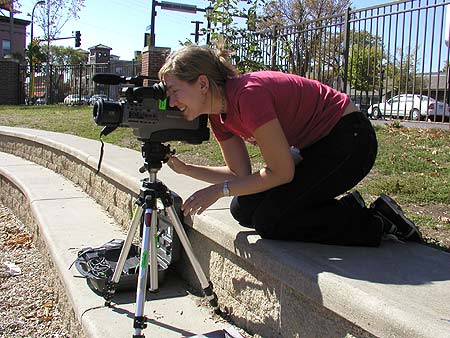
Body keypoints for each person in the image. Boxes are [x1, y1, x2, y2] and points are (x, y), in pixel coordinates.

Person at [158, 44, 422, 247]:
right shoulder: (218, 116)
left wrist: (219, 190)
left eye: (174, 91)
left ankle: (378, 222)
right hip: (315, 146)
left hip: (350, 140)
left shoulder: (248, 96)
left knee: (271, 222)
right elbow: (239, 175)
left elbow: (282, 172)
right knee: (243, 208)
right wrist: (185, 169)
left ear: (202, 83)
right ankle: (348, 208)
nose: (170, 102)